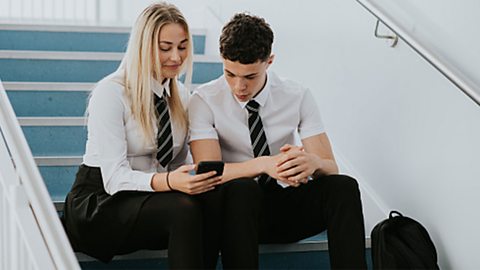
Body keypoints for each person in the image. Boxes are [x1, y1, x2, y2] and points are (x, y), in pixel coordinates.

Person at [189, 13, 367, 269]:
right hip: (234, 216)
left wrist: (312, 162)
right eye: (230, 74)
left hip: (283, 206)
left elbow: (331, 167)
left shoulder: (297, 95)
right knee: (243, 189)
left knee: (343, 186)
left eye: (250, 77)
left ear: (269, 61)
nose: (239, 86)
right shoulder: (204, 99)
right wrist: (264, 164)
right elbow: (209, 172)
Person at [62, 2, 221, 268]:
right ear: (142, 47)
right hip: (102, 202)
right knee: (183, 209)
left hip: (149, 199)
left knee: (215, 198)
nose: (176, 57)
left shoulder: (181, 95)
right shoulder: (111, 93)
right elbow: (113, 179)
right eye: (165, 48)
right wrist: (170, 181)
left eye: (182, 47)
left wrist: (191, 178)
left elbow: (176, 164)